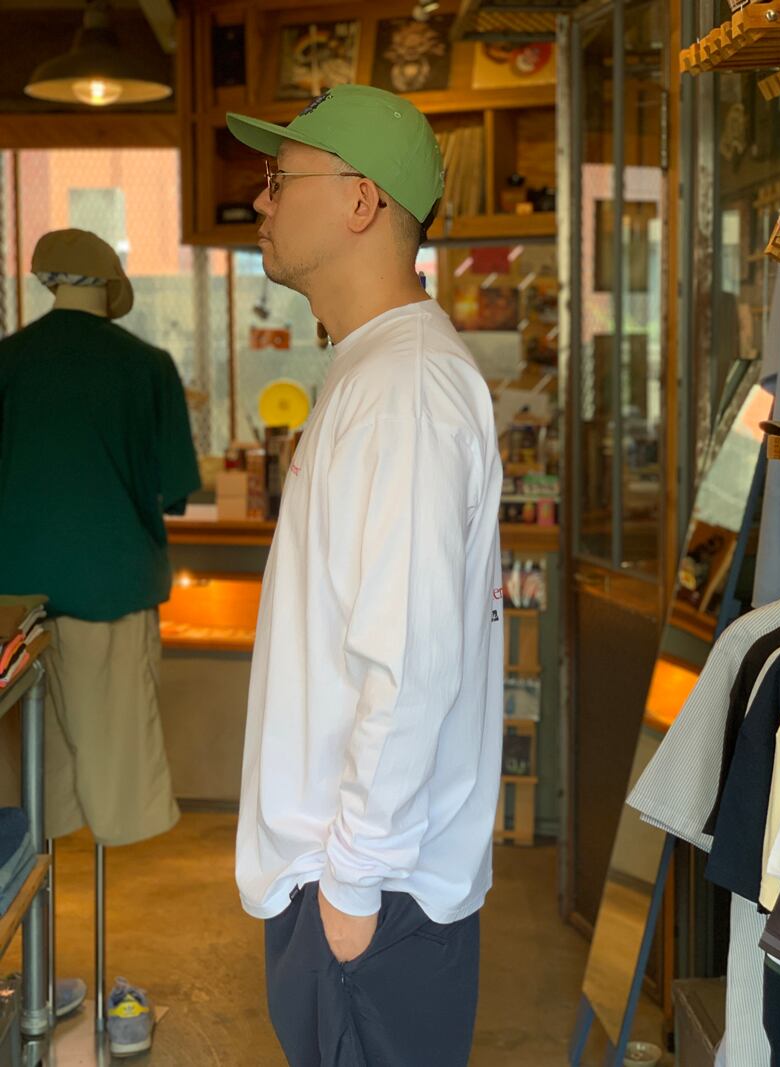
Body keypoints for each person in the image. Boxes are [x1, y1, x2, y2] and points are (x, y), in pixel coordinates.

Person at [227, 84, 504, 1066]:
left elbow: (409, 658)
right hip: (351, 878)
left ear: (360, 201)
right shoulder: (374, 366)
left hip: (369, 891)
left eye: (279, 178)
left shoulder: (404, 389)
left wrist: (350, 884)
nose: (259, 199)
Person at [0, 229, 200, 1056]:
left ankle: (38, 982)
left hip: (13, 611)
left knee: (28, 795)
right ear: (111, 286)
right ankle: (111, 996)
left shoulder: (7, 363)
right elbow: (175, 487)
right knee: (116, 778)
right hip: (111, 593)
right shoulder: (145, 366)